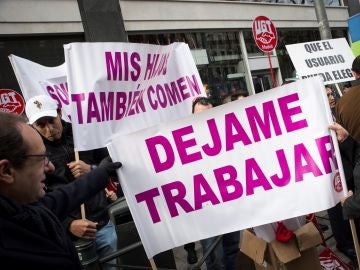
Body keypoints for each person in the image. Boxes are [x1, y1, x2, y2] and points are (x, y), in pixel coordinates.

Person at [0, 111, 121, 269]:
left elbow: (62, 198)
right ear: (6, 171)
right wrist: (69, 224)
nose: (50, 167)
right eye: (41, 158)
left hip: (101, 222)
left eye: (51, 121)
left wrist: (98, 171)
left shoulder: (23, 210)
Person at [192, 96, 240, 270]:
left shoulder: (225, 134)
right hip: (207, 209)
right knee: (214, 256)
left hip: (230, 204)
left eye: (209, 114)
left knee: (233, 249)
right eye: (200, 115)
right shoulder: (184, 142)